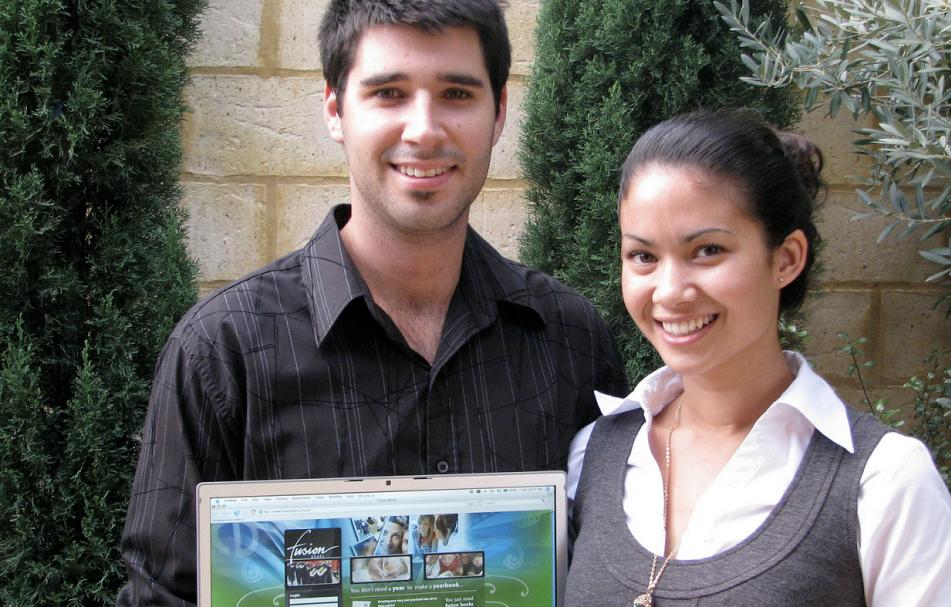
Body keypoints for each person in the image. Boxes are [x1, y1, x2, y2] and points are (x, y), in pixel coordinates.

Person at [116, 1, 627, 604]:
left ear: (498, 114)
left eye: (457, 94)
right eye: (389, 93)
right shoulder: (224, 350)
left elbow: (611, 570)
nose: (424, 130)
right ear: (336, 110)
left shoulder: (570, 338)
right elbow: (162, 595)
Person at [563, 111, 951, 606]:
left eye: (707, 250)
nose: (669, 292)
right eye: (643, 256)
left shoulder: (883, 482)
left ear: (786, 258)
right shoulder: (594, 455)